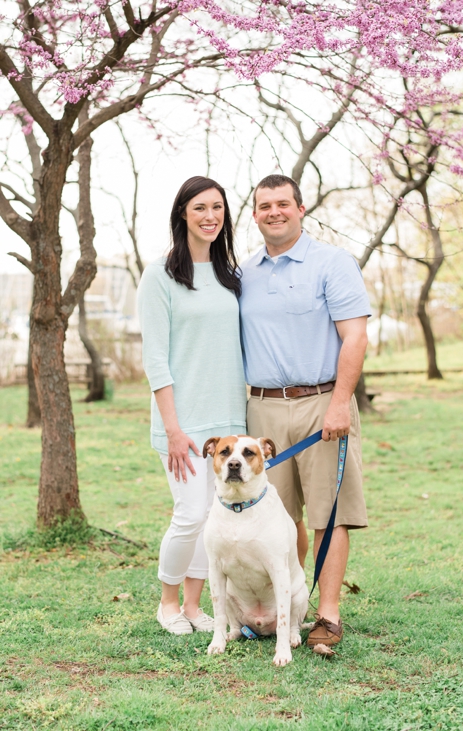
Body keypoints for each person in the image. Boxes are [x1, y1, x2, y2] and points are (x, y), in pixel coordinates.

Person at [239, 174, 370, 650]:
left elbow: (354, 336)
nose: (274, 212)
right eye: (264, 206)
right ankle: (286, 607)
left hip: (322, 406)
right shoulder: (243, 273)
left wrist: (339, 405)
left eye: (282, 204)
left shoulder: (332, 262)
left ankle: (328, 614)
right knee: (274, 516)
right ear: (254, 214)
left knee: (327, 514)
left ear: (300, 208)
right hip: (262, 409)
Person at [137, 176, 246, 635]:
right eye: (200, 207)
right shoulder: (159, 274)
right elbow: (155, 358)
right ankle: (167, 604)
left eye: (217, 207)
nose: (210, 216)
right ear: (183, 212)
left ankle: (195, 606)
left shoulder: (230, 277)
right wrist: (174, 430)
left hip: (226, 423)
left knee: (214, 516)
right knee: (189, 514)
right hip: (181, 422)